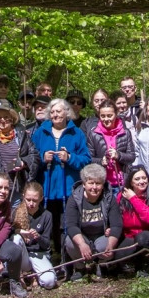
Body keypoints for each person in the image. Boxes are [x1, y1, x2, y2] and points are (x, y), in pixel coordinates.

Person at [30, 98, 92, 256]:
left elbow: (86, 159)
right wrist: (43, 158)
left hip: (68, 188)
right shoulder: (40, 132)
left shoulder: (76, 133)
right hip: (47, 187)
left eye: (58, 111)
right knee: (49, 223)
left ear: (67, 113)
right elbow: (32, 157)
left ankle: (69, 257)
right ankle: (49, 255)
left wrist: (70, 157)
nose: (55, 114)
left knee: (68, 223)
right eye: (52, 112)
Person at [64, 163, 127, 280]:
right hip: (83, 236)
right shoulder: (74, 199)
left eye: (98, 183)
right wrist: (82, 244)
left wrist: (111, 245)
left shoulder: (109, 198)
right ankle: (79, 267)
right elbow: (71, 225)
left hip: (102, 235)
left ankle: (101, 264)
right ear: (84, 184)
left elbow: (117, 224)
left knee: (107, 244)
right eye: (90, 183)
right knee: (69, 241)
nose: (94, 187)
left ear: (103, 185)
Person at [119, 166, 149, 277]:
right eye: (137, 179)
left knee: (142, 238)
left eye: (144, 178)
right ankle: (134, 262)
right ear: (131, 182)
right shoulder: (122, 196)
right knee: (119, 255)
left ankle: (144, 264)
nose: (142, 181)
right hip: (130, 237)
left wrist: (134, 199)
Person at [86, 100, 136, 196]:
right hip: (102, 183)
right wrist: (101, 161)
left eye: (109, 115)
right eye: (103, 116)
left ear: (116, 114)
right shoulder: (93, 134)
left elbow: (132, 157)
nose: (106, 119)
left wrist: (118, 155)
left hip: (122, 182)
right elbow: (88, 159)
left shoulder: (125, 132)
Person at [13, 182, 57, 289]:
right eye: (28, 200)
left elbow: (47, 245)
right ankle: (18, 275)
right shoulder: (15, 212)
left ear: (41, 199)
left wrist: (38, 237)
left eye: (35, 200)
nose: (31, 203)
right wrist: (20, 232)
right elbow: (8, 233)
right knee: (15, 238)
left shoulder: (46, 215)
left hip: (38, 253)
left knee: (49, 282)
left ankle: (34, 274)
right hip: (22, 255)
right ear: (23, 196)